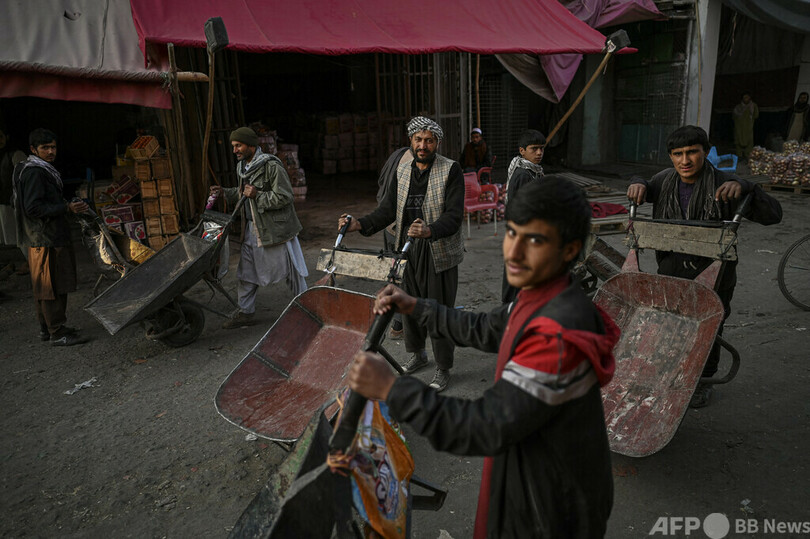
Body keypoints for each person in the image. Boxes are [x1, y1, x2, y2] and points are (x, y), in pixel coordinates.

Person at [348, 177, 619, 538]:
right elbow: (486, 328)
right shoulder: (540, 293)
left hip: (549, 506)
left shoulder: (556, 338)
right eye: (512, 233)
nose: (514, 253)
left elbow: (484, 427)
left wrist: (393, 389)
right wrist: (417, 307)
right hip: (529, 465)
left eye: (535, 240)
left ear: (569, 250)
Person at [627, 125, 782, 408]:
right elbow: (644, 185)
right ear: (670, 157)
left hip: (716, 273)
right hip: (672, 269)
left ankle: (704, 380)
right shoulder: (663, 181)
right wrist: (638, 182)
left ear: (706, 152)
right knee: (671, 325)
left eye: (692, 152)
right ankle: (673, 373)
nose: (685, 160)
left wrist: (747, 187)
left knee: (709, 327)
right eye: (678, 154)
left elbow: (774, 215)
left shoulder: (725, 183)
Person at [339, 116, 464, 392]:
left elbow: (454, 216)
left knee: (438, 310)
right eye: (418, 140)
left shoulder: (450, 169)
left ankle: (443, 367)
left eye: (429, 141)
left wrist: (430, 230)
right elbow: (387, 210)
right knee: (409, 307)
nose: (423, 145)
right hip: (406, 248)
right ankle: (418, 354)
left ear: (437, 143)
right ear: (411, 141)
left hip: (437, 250)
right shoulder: (403, 169)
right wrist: (360, 224)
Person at [211, 127, 308, 329]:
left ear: (251, 145)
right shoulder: (243, 167)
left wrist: (258, 195)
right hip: (251, 229)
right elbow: (243, 193)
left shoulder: (271, 166)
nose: (235, 150)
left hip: (275, 230)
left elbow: (285, 196)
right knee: (246, 273)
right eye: (233, 146)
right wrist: (224, 193)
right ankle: (245, 312)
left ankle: (308, 308)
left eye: (238, 145)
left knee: (292, 272)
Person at [12, 128, 89, 345]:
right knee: (51, 286)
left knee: (45, 286)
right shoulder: (35, 172)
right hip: (45, 238)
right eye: (45, 148)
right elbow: (33, 208)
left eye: (53, 147)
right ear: (33, 149)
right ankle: (57, 332)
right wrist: (66, 208)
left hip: (44, 236)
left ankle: (47, 328)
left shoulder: (38, 169)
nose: (50, 151)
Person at [502, 129, 547, 303]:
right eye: (534, 149)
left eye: (541, 148)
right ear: (522, 150)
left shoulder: (531, 171)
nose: (539, 153)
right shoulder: (523, 175)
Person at [374, 145, 411, 339]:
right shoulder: (413, 161)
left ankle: (396, 323)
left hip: (389, 224)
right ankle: (398, 325)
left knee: (395, 273)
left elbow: (381, 182)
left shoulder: (396, 154)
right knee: (405, 275)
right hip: (399, 227)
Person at [0, 128, 26, 247]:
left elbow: (25, 178)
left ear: (7, 137)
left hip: (13, 204)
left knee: (17, 239)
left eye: (0, 136)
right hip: (2, 204)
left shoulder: (15, 154)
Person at [733, 92, 758, 159]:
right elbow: (734, 116)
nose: (746, 99)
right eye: (744, 97)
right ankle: (739, 156)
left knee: (749, 142)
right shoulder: (738, 107)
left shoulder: (753, 106)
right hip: (739, 127)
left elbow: (756, 115)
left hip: (748, 127)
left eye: (747, 97)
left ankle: (747, 155)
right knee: (738, 141)